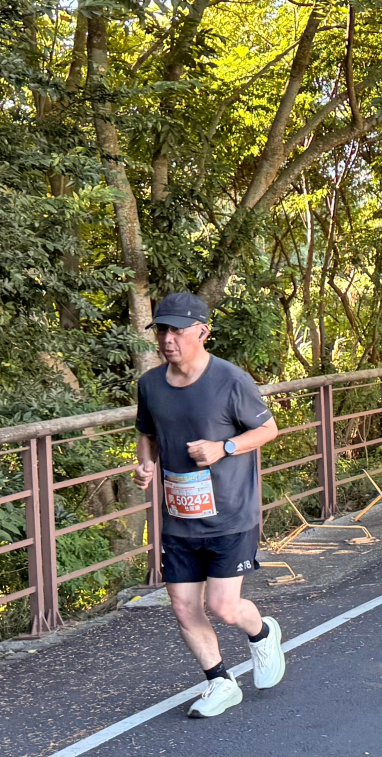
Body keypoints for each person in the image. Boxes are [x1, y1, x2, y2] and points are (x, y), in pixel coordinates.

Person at [133, 292, 286, 720]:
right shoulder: (150, 385)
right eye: (162, 330)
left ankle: (262, 633)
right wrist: (145, 464)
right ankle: (220, 681)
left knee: (223, 606)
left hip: (231, 513)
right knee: (183, 606)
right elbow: (147, 434)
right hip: (179, 517)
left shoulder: (230, 380)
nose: (167, 339)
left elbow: (268, 430)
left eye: (177, 331)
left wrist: (224, 447)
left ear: (202, 332)